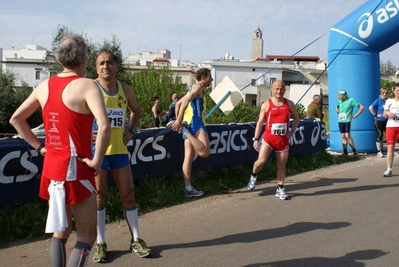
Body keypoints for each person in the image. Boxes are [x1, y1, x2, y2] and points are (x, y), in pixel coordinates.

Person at [9, 34, 111, 267]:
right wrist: (97, 160)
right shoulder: (87, 85)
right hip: (76, 167)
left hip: (52, 167)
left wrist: (40, 147)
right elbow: (104, 126)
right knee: (86, 236)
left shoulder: (44, 85)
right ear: (84, 57)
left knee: (60, 232)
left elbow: (16, 119)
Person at [92, 51, 152, 263]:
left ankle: (136, 239)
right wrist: (85, 133)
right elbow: (77, 116)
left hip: (119, 151)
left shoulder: (125, 89)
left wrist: (132, 131)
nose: (106, 66)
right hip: (97, 153)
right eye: (101, 63)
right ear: (96, 68)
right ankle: (100, 242)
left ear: (116, 66)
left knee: (128, 195)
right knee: (99, 197)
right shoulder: (91, 88)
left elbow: (136, 111)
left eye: (109, 62)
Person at [246, 80, 300, 200]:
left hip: (283, 140)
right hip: (269, 139)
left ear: (285, 90)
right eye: (276, 89)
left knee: (281, 165)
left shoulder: (289, 104)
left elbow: (297, 118)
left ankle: (280, 188)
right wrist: (255, 138)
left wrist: (291, 132)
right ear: (272, 89)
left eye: (281, 89)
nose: (279, 91)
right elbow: (260, 122)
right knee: (261, 161)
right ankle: (253, 177)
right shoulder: (267, 104)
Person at [171, 68, 213, 197]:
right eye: (210, 76)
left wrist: (180, 120)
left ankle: (188, 188)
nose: (211, 79)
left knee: (188, 158)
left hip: (189, 123)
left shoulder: (193, 88)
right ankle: (185, 131)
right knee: (205, 152)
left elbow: (177, 104)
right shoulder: (198, 88)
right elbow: (183, 102)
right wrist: (178, 121)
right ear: (203, 77)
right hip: (196, 123)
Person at [335, 90, 365, 156]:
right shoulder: (339, 101)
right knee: (343, 136)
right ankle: (345, 152)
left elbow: (362, 107)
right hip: (340, 120)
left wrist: (355, 115)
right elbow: (336, 107)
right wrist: (337, 109)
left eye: (339, 95)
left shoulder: (351, 100)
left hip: (347, 120)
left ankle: (354, 151)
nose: (338, 97)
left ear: (343, 96)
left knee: (347, 135)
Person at [382, 83, 399, 177]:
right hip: (391, 127)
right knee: (390, 148)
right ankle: (389, 169)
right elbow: (384, 114)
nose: (398, 92)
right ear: (393, 91)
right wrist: (388, 113)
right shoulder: (389, 101)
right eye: (397, 90)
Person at [369, 87, 389, 157]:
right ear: (382, 93)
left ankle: (391, 150)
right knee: (380, 135)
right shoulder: (378, 100)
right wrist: (375, 114)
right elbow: (370, 107)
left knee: (389, 135)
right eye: (386, 93)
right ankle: (379, 151)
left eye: (388, 93)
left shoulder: (388, 100)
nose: (387, 94)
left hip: (387, 120)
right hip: (379, 121)